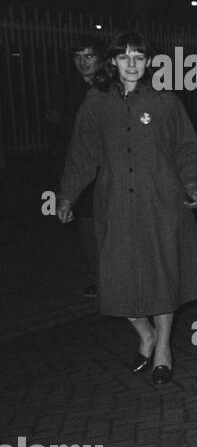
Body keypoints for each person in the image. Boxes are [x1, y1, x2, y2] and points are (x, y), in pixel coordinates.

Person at [57, 31, 197, 383]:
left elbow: (186, 148)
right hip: (115, 204)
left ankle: (163, 349)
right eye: (124, 57)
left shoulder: (165, 100)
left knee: (162, 274)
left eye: (138, 57)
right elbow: (82, 153)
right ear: (112, 61)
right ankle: (146, 335)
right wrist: (67, 195)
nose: (131, 64)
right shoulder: (96, 102)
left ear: (148, 62)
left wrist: (191, 181)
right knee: (116, 277)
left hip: (161, 202)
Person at [48, 32, 106, 297]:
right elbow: (57, 130)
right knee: (85, 224)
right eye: (78, 57)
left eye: (89, 56)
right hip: (79, 164)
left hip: (106, 166)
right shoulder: (65, 89)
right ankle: (99, 277)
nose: (83, 62)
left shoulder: (110, 87)